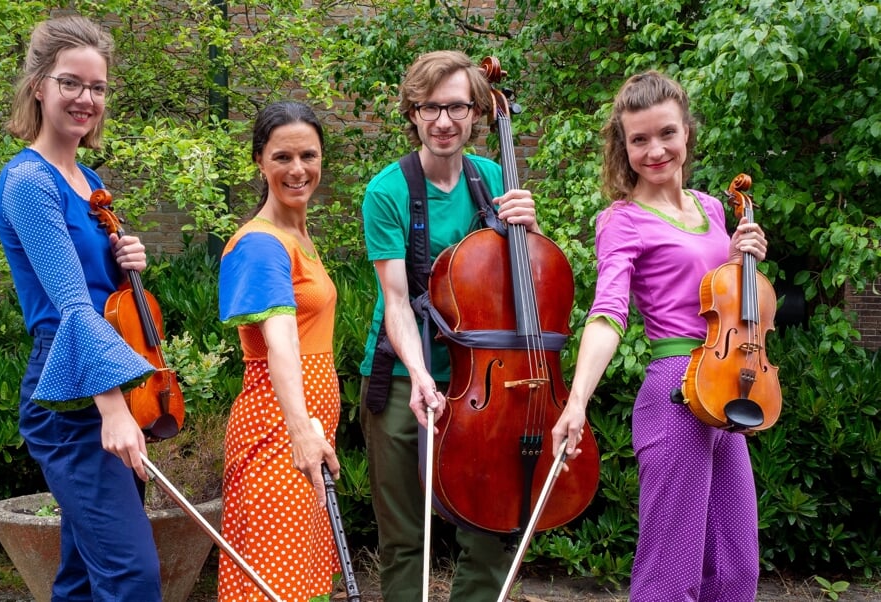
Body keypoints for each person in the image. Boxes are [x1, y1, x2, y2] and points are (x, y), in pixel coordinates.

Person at [551, 70, 766, 601]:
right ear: (623, 147)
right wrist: (577, 399)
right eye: (639, 139)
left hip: (730, 385)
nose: (655, 150)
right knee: (671, 567)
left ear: (687, 132)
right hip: (676, 390)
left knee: (735, 564)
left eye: (665, 133)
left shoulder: (711, 208)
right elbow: (608, 312)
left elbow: (735, 308)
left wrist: (745, 262)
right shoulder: (621, 220)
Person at [358, 50, 542, 601]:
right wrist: (419, 375)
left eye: (457, 107)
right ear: (412, 112)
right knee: (406, 539)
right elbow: (395, 300)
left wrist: (527, 236)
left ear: (477, 112)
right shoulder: (386, 191)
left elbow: (522, 288)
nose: (444, 121)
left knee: (489, 531)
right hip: (402, 378)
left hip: (485, 383)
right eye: (430, 107)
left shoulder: (493, 179)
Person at [0, 15, 162, 602]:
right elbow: (70, 305)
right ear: (39, 84)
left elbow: (102, 294)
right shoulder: (28, 181)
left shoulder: (87, 179)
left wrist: (128, 259)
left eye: (97, 88)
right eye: (71, 83)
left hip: (101, 372)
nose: (85, 99)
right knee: (131, 576)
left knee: (87, 575)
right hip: (71, 394)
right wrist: (113, 408)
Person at [217, 100, 342, 602]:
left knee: (304, 583)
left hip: (306, 434)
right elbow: (281, 345)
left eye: (308, 156)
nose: (297, 170)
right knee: (275, 585)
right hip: (278, 437)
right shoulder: (261, 245)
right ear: (259, 162)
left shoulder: (296, 235)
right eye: (282, 157)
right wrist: (301, 435)